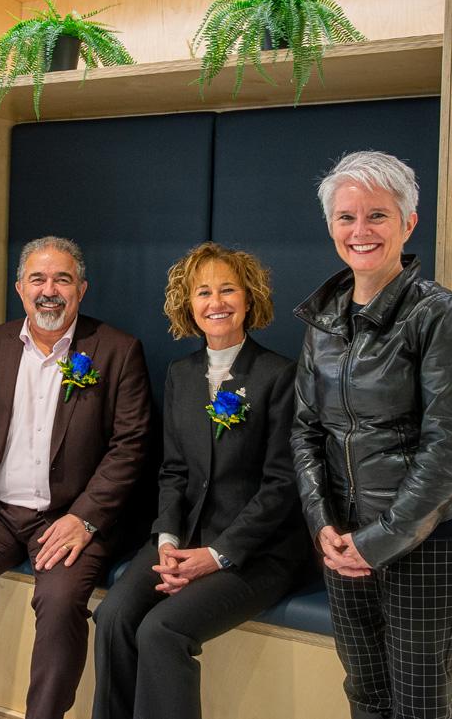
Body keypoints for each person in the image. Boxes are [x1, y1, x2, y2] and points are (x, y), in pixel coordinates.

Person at [0, 236, 151, 719]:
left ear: (81, 288)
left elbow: (131, 447)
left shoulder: (118, 351)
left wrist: (84, 519)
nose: (49, 290)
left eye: (62, 279)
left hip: (69, 518)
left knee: (61, 602)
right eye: (38, 279)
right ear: (19, 288)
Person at [290, 151, 452, 719]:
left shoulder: (439, 313)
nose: (361, 231)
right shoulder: (322, 319)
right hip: (344, 541)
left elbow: (448, 448)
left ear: (408, 223)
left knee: (419, 706)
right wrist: (324, 525)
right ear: (331, 228)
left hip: (429, 541)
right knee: (367, 695)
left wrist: (378, 542)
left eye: (377, 215)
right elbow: (305, 432)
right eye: (346, 218)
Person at [92, 242, 312, 719]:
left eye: (228, 290)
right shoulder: (181, 374)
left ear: (249, 299)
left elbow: (282, 486)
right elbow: (172, 471)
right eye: (204, 292)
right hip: (185, 535)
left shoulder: (280, 375)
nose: (217, 302)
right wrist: (168, 539)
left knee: (161, 631)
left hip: (257, 552)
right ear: (188, 306)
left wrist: (215, 555)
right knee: (111, 617)